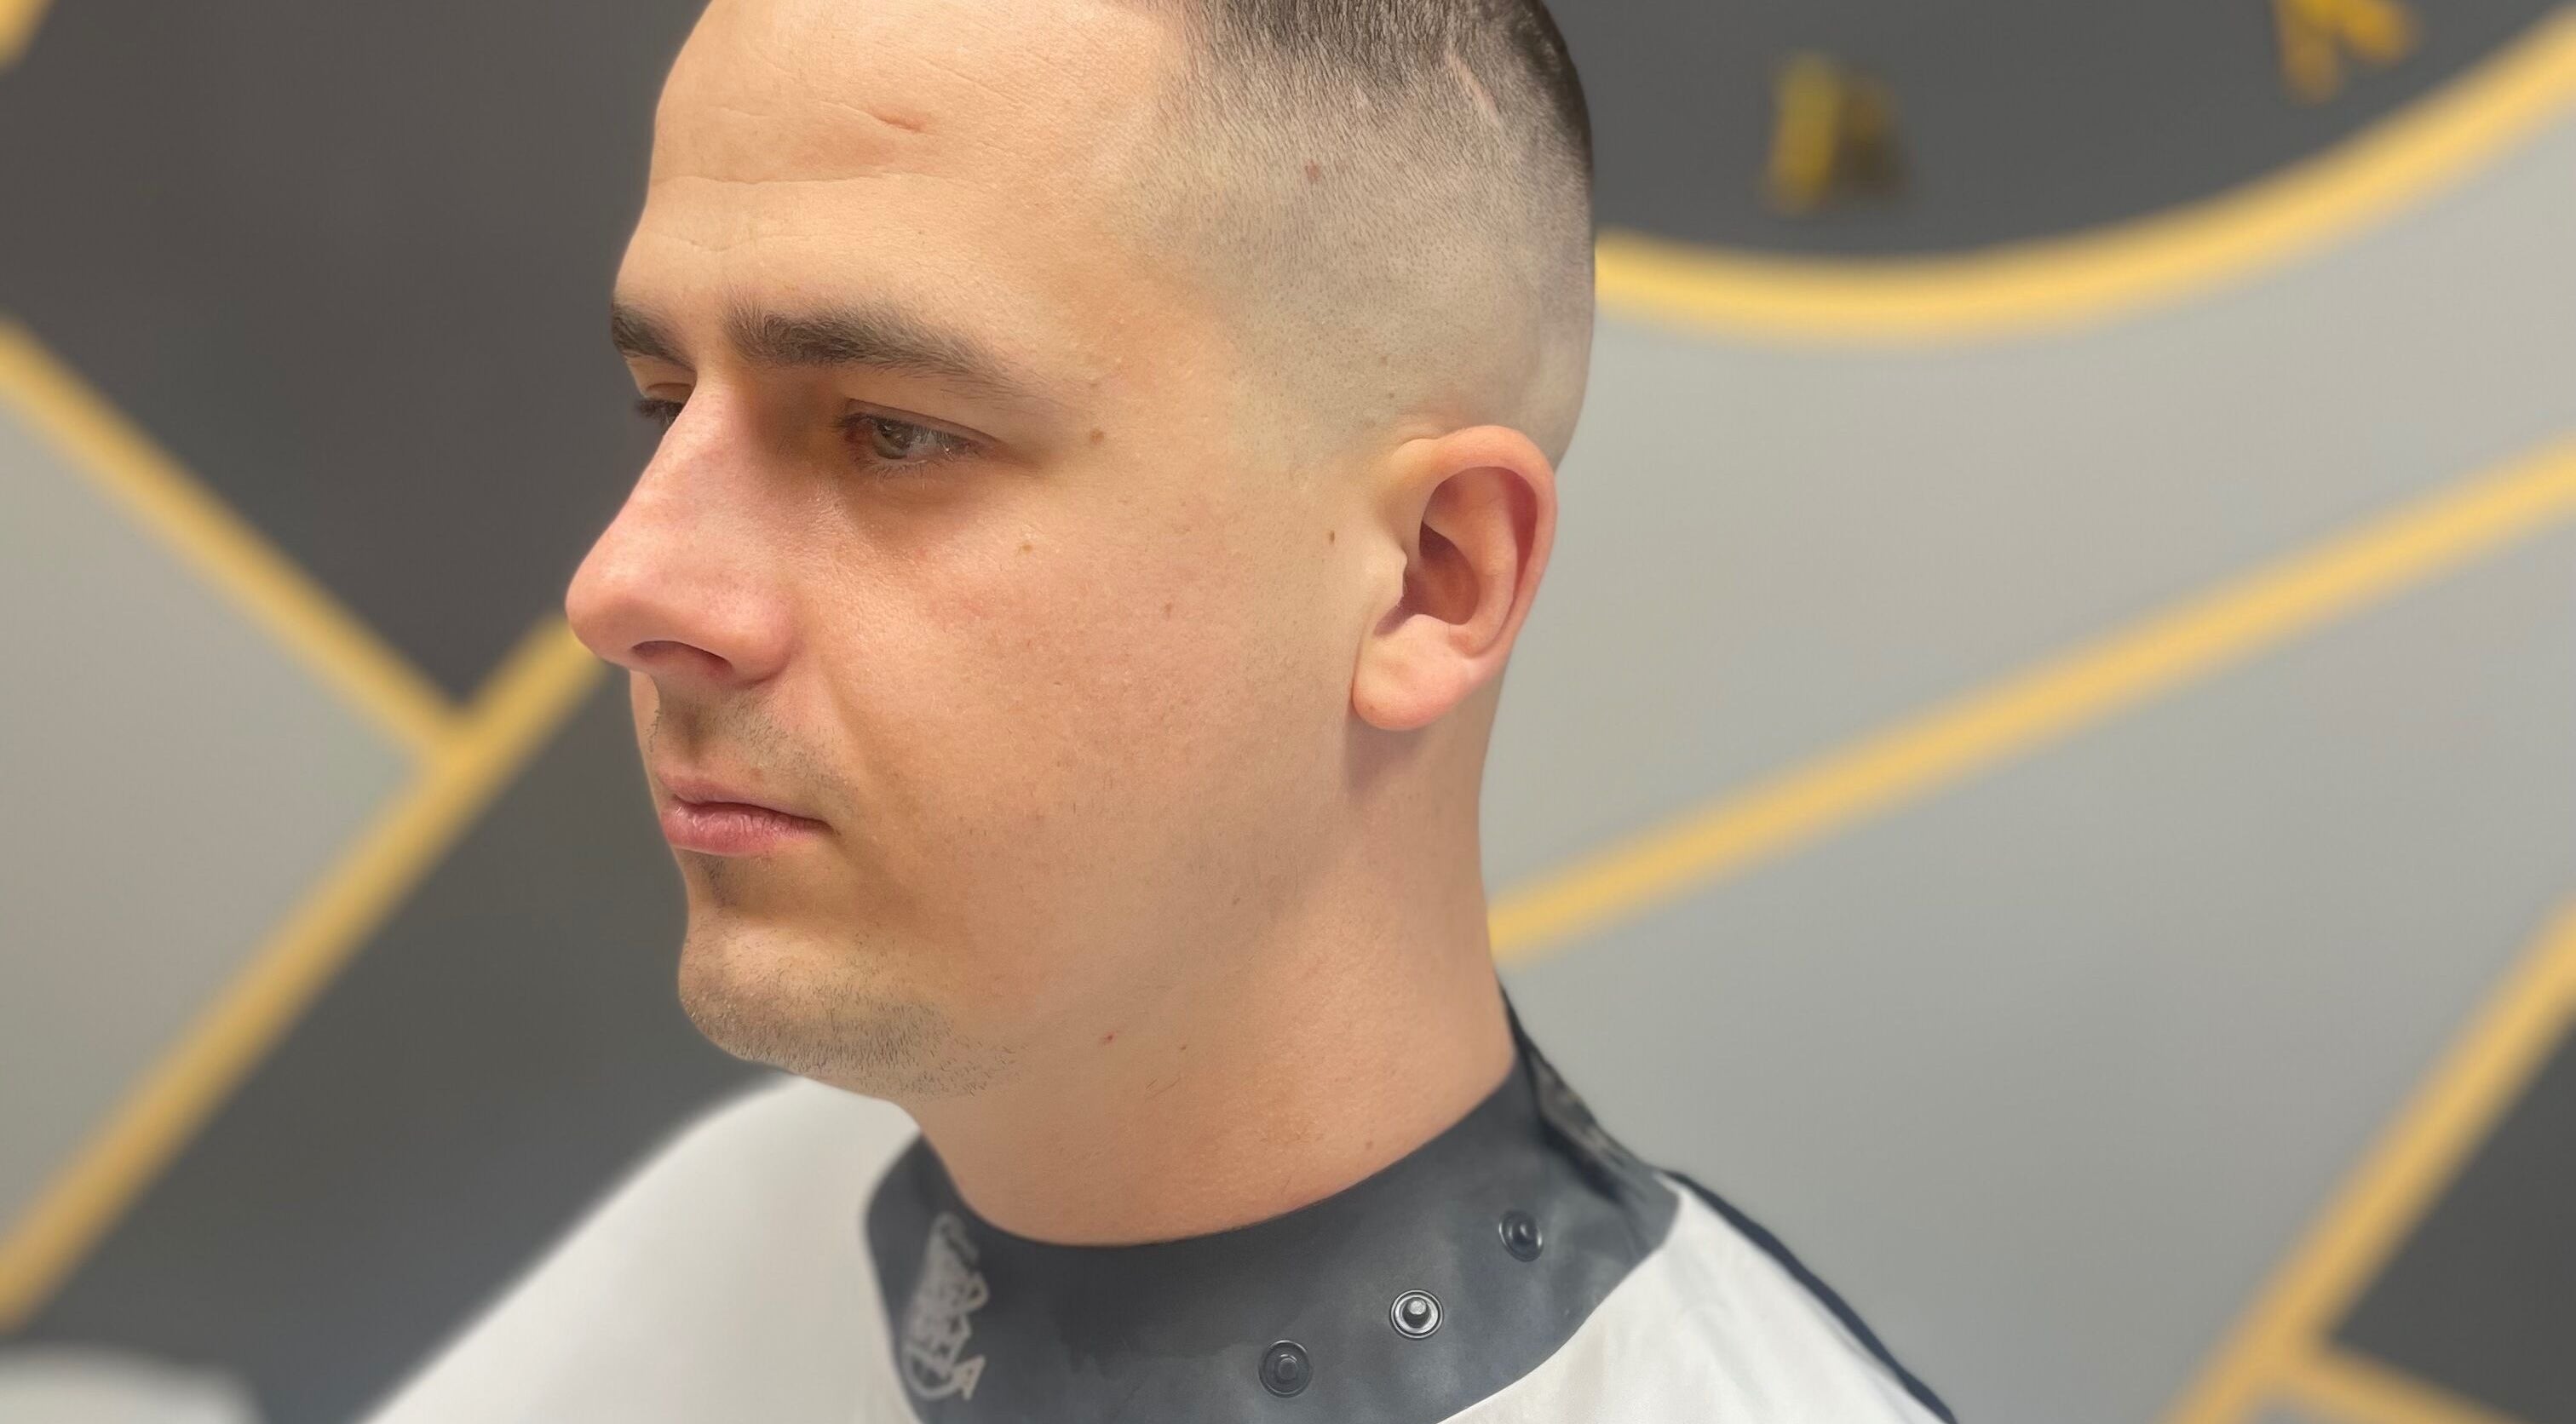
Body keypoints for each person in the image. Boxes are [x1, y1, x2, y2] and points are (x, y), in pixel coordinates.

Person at [362, 0, 1954, 1419]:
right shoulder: (734, 1235)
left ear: (1430, 580)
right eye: (663, 403)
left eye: (894, 432)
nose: (624, 584)